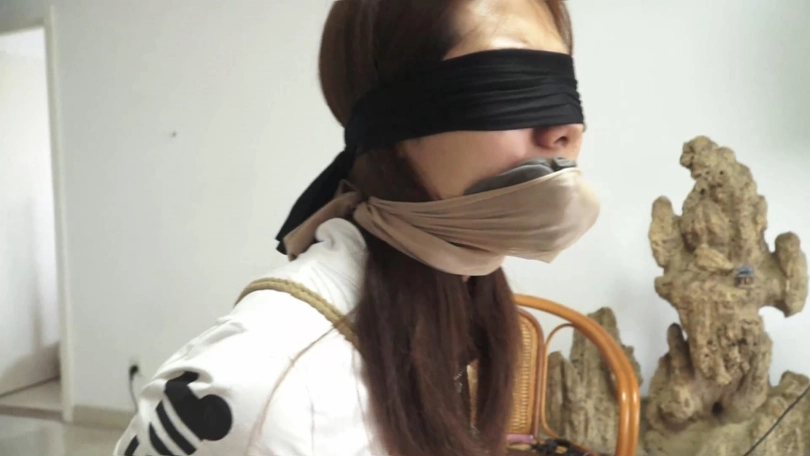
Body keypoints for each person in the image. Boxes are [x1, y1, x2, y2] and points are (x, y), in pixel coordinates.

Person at [113, 0, 599, 455]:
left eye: (565, 87)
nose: (566, 128)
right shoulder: (262, 384)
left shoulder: (458, 305)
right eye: (511, 82)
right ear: (396, 120)